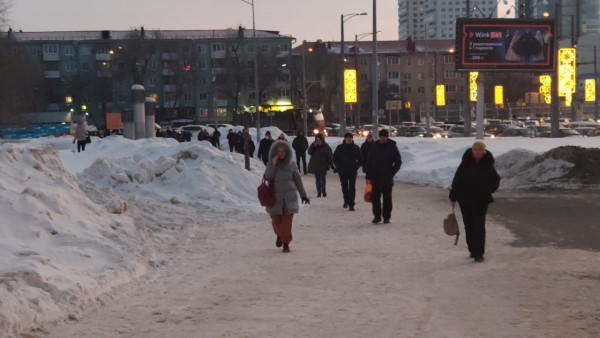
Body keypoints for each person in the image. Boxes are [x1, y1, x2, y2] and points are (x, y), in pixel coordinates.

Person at [449, 141, 500, 263]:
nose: (477, 152)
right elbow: (457, 180)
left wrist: (488, 191)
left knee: (479, 225)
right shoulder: (465, 162)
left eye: (480, 150)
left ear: (484, 151)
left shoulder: (488, 163)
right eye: (475, 150)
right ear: (472, 151)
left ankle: (479, 252)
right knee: (469, 224)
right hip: (465, 199)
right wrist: (453, 197)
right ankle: (472, 248)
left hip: (481, 199)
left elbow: (495, 180)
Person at [264, 140, 310, 253]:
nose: (281, 153)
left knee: (287, 222)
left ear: (287, 152)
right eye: (278, 151)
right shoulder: (271, 164)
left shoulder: (292, 164)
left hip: (289, 198)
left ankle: (286, 243)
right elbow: (267, 178)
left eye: (283, 151)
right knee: (276, 222)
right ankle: (280, 235)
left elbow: (298, 181)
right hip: (274, 199)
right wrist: (272, 165)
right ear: (275, 152)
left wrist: (303, 195)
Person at [365, 129, 402, 224]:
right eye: (381, 137)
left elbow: (398, 162)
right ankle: (377, 216)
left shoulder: (392, 147)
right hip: (375, 177)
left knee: (387, 198)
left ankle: (386, 217)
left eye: (384, 137)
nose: (382, 139)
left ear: (387, 137)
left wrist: (391, 173)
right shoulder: (374, 146)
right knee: (375, 198)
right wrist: (368, 175)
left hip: (387, 177)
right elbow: (369, 161)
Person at [333, 132, 362, 211]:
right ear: (345, 138)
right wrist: (338, 167)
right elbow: (335, 158)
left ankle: (351, 204)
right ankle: (346, 200)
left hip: (352, 171)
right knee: (344, 187)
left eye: (350, 137)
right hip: (342, 171)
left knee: (352, 187)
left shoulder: (356, 148)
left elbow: (360, 159)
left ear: (352, 138)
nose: (349, 139)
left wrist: (356, 166)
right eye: (347, 137)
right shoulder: (340, 148)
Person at [307, 133, 334, 197]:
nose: (318, 142)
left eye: (319, 140)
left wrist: (331, 164)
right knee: (317, 180)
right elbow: (309, 152)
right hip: (315, 165)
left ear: (322, 140)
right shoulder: (313, 145)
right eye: (317, 140)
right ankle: (319, 192)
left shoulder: (326, 146)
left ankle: (323, 191)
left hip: (323, 165)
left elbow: (329, 156)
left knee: (323, 180)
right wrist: (314, 146)